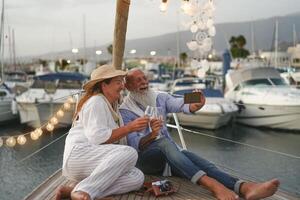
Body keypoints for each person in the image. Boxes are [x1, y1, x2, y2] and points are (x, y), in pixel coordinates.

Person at [119, 68, 280, 200]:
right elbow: (135, 145)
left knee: (199, 161)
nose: (144, 83)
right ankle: (214, 186)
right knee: (165, 143)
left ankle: (244, 187)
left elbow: (178, 102)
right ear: (128, 87)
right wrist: (152, 135)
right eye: (138, 80)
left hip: (169, 155)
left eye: (144, 78)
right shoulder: (125, 111)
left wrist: (195, 104)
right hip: (145, 161)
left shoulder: (158, 97)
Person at [56, 65, 149, 200]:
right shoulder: (96, 101)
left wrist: (146, 131)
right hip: (79, 156)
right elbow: (98, 138)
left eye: (122, 82)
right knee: (130, 153)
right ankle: (84, 190)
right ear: (104, 86)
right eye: (118, 82)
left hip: (95, 161)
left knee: (136, 177)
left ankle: (73, 191)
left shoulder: (112, 105)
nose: (122, 86)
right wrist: (130, 128)